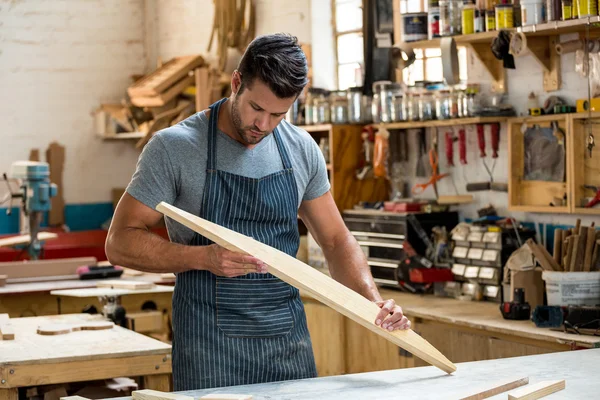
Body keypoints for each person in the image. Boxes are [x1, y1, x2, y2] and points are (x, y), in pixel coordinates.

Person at [105, 33, 410, 391]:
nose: (263, 125)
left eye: (278, 114)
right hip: (209, 350)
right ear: (236, 82)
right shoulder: (175, 148)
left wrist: (373, 302)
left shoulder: (300, 149)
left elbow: (335, 239)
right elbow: (119, 242)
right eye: (256, 108)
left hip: (287, 345)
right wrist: (204, 257)